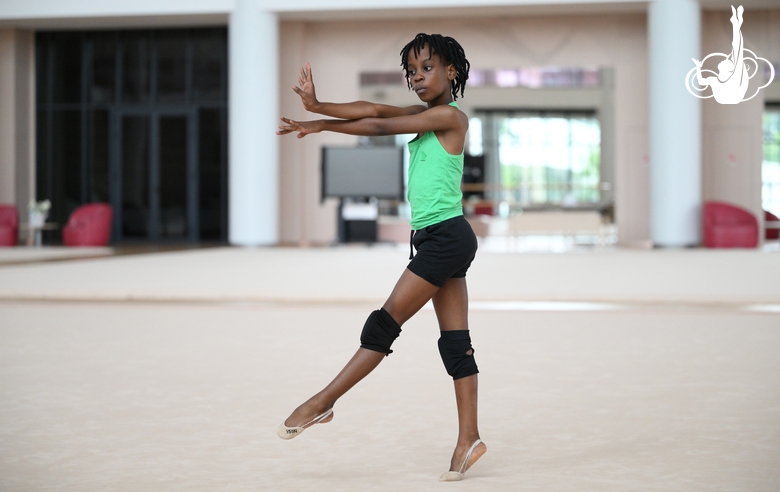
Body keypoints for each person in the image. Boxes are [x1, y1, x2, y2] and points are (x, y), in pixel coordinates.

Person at [276, 33, 486, 481]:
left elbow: (375, 128)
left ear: (451, 71)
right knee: (455, 343)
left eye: (426, 67)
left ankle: (323, 402)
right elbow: (372, 110)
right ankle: (469, 439)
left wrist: (323, 126)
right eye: (411, 71)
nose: (417, 77)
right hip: (435, 238)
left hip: (447, 236)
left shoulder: (450, 117)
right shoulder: (424, 115)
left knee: (384, 323)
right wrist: (318, 109)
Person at [693, 5, 748, 104]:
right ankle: (736, 24)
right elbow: (701, 81)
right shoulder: (716, 80)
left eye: (727, 61)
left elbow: (737, 49)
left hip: (733, 96)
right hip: (730, 97)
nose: (725, 59)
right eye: (728, 60)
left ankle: (736, 24)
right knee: (737, 51)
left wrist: (736, 26)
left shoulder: (732, 78)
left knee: (737, 50)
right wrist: (698, 67)